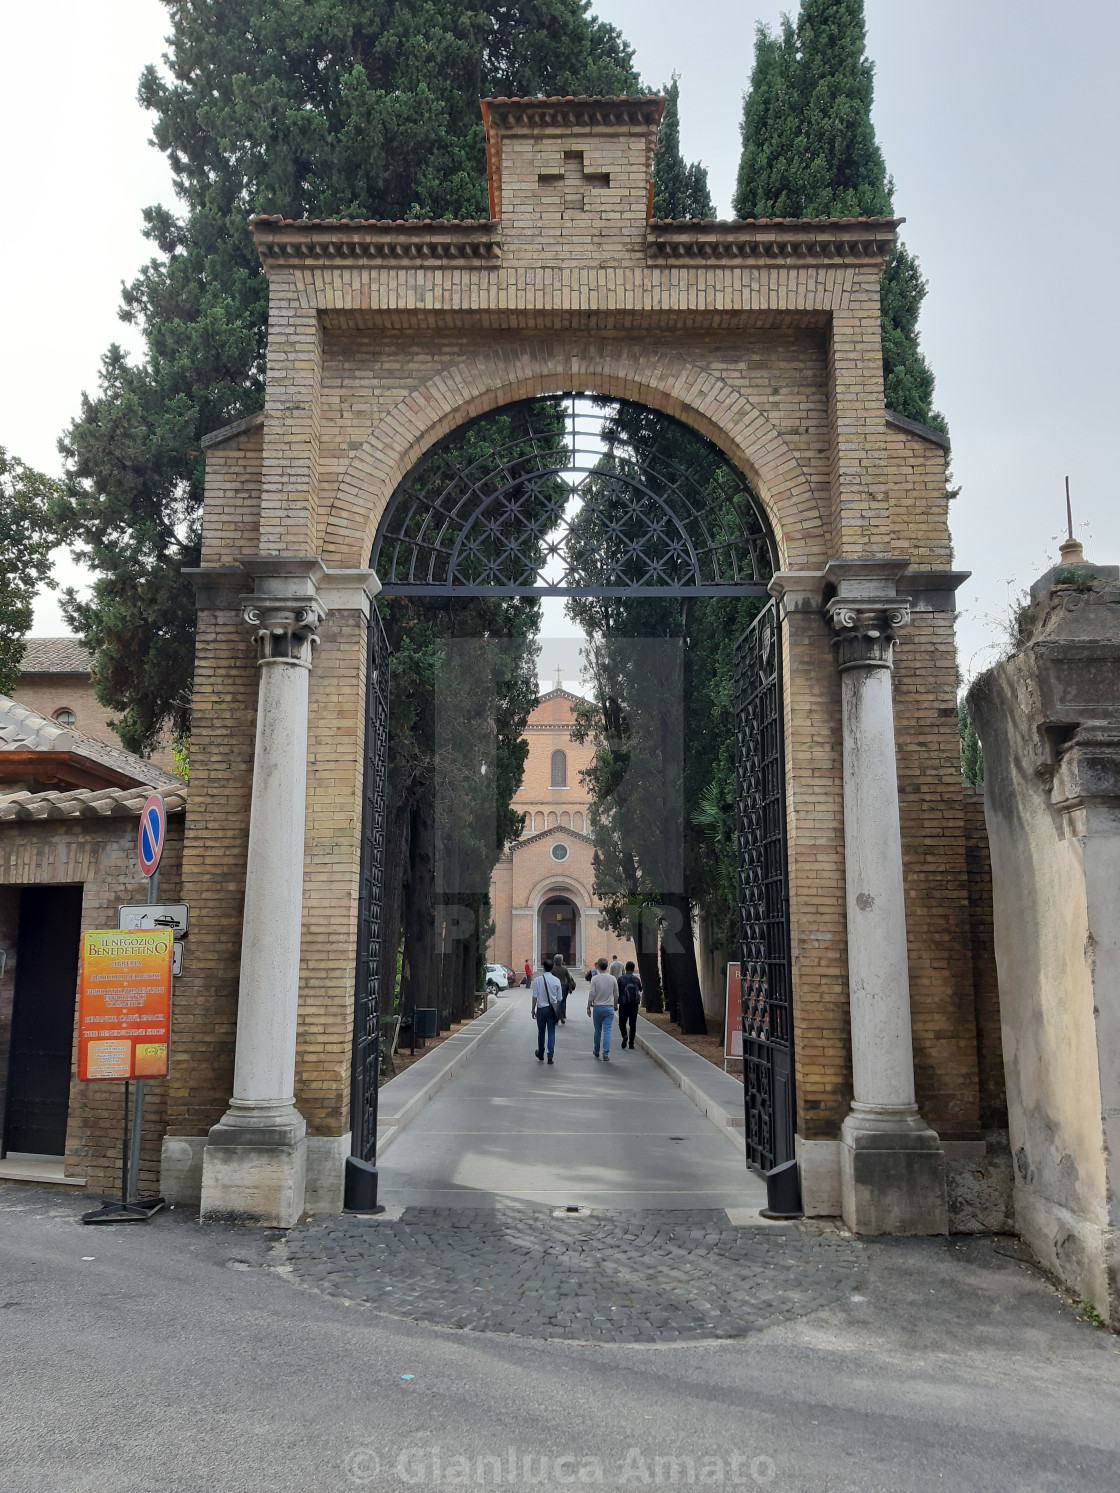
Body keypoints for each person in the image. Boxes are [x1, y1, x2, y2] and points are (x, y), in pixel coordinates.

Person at [530, 962, 564, 1064]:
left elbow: (535, 996)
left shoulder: (538, 980)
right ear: (552, 968)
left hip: (541, 1009)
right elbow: (559, 998)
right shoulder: (557, 980)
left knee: (541, 1032)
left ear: (543, 968)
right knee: (551, 1031)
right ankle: (550, 1055)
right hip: (552, 1009)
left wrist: (533, 1009)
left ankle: (541, 1053)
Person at [586, 957, 618, 1061]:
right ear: (607, 966)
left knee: (598, 1030)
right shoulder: (613, 979)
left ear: (598, 967)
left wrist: (588, 1006)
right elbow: (616, 994)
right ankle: (606, 1053)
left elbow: (592, 993)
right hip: (609, 1008)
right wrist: (615, 1005)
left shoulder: (595, 978)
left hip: (598, 1008)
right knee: (607, 1030)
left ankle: (596, 1050)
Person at [616, 960, 642, 1050]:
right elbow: (640, 989)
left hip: (623, 1003)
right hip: (634, 1004)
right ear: (633, 969)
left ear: (625, 968)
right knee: (633, 1024)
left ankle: (624, 1035)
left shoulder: (620, 979)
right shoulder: (636, 979)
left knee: (622, 1023)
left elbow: (616, 991)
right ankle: (631, 1043)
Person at [551, 954, 575, 1023]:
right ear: (561, 960)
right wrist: (570, 988)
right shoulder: (564, 968)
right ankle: (563, 1015)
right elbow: (569, 979)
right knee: (563, 1001)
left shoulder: (552, 969)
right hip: (563, 986)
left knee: (555, 1002)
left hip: (554, 987)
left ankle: (556, 1016)